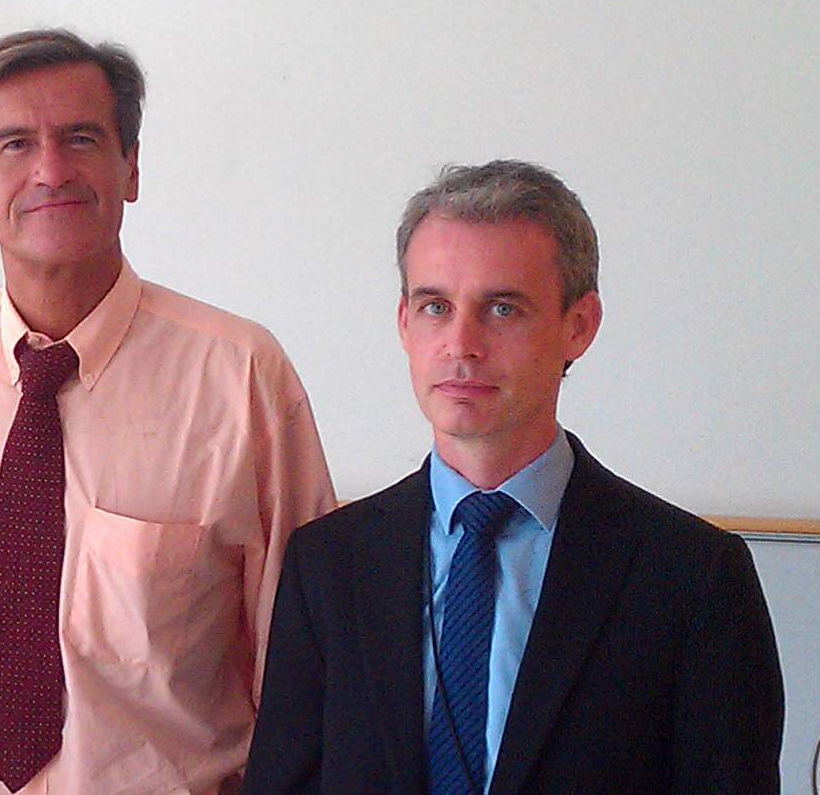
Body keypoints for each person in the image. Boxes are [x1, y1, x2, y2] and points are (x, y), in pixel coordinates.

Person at [0, 29, 337, 795]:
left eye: (81, 138)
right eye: (14, 144)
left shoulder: (242, 375)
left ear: (132, 164)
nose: (51, 170)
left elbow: (307, 661)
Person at [243, 160, 784, 795]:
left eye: (503, 308)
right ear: (403, 323)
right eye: (436, 306)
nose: (461, 343)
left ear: (578, 325)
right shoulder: (329, 564)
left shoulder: (692, 576)